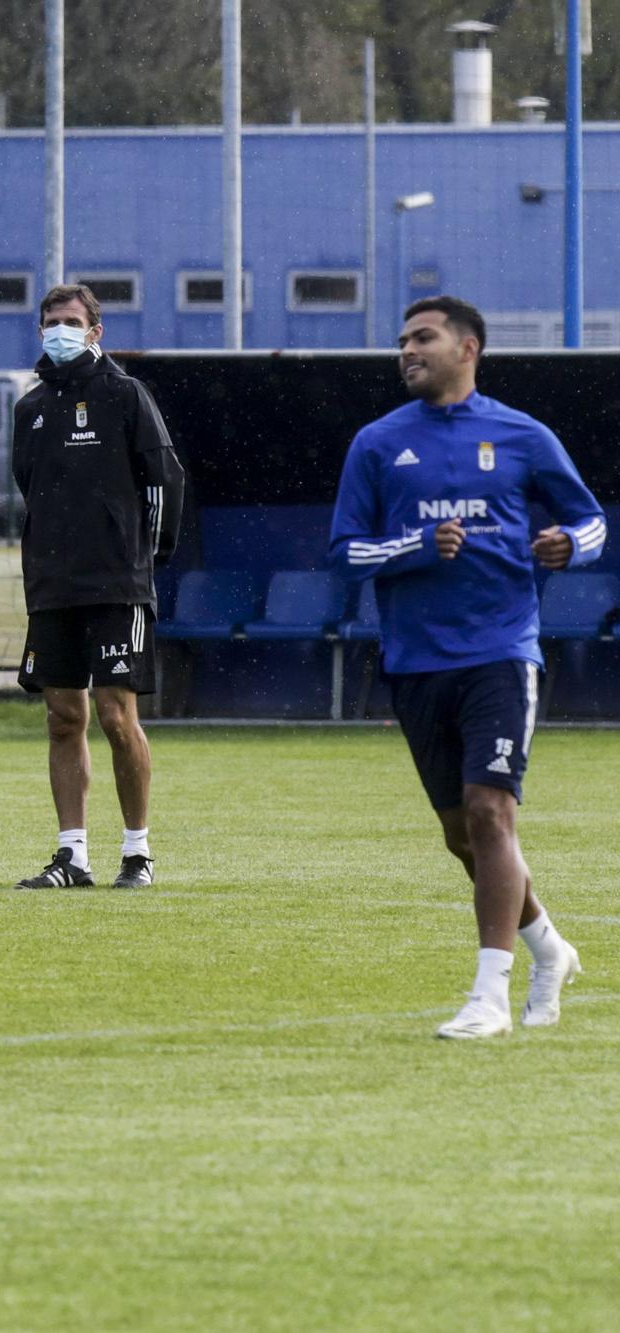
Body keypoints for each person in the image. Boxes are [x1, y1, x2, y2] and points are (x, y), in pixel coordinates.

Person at [330, 295, 604, 1040]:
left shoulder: (522, 434)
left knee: (491, 813)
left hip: (502, 651)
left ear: (468, 348)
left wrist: (569, 547)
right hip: (416, 661)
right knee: (463, 835)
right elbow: (343, 551)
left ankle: (488, 995)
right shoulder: (378, 443)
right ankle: (550, 948)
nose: (406, 351)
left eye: (423, 338)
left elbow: (592, 520)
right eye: (402, 341)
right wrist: (415, 546)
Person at [9, 282, 184, 890]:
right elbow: (30, 488)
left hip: (118, 586)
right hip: (52, 587)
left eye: (71, 320)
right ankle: (71, 857)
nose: (59, 330)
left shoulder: (125, 396)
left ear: (94, 331)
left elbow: (164, 480)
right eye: (50, 321)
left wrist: (143, 560)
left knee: (115, 715)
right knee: (63, 718)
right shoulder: (28, 408)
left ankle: (137, 853)